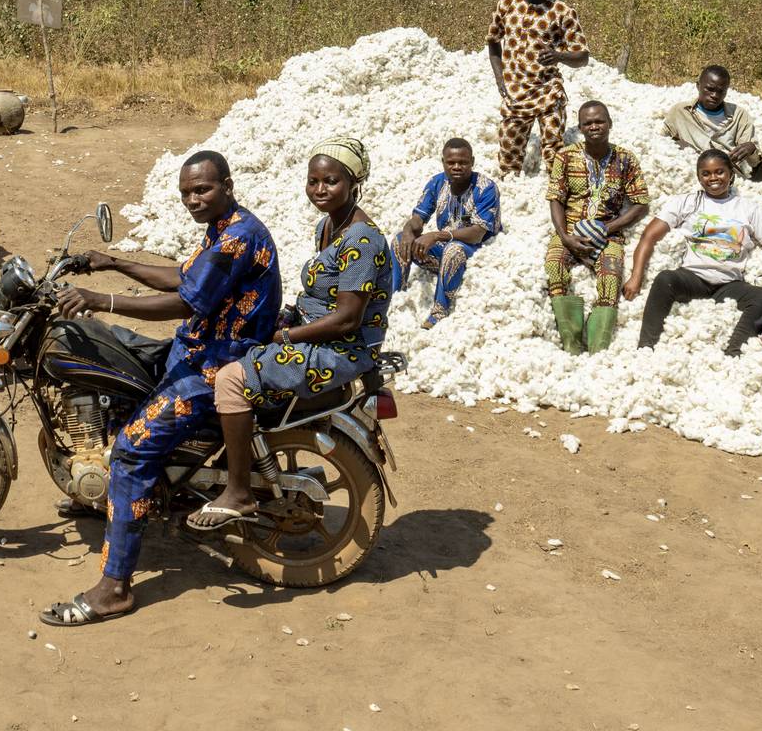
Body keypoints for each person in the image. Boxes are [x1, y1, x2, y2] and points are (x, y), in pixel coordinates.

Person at [38, 149, 280, 626]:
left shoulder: (237, 238)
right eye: (186, 192)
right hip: (196, 351)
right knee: (116, 372)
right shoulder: (223, 228)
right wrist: (111, 262)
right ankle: (109, 499)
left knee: (130, 452)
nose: (192, 199)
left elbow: (184, 301)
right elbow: (185, 277)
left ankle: (113, 589)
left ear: (227, 186)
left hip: (215, 368)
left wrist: (102, 299)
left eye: (202, 189)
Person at [190, 137, 391, 532]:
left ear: (354, 181)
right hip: (316, 336)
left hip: (338, 350)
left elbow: (348, 318)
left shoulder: (363, 240)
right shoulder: (330, 226)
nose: (319, 190)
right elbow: (321, 297)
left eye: (330, 181)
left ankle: (238, 492)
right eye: (313, 181)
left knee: (232, 379)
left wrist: (288, 336)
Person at [622, 149, 762, 354]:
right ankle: (646, 347)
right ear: (699, 177)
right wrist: (635, 276)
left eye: (720, 172)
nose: (713, 178)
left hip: (729, 284)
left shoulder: (748, 209)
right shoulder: (686, 202)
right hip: (693, 278)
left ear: (731, 174)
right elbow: (649, 236)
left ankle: (734, 350)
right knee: (665, 279)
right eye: (706, 174)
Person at [545, 101, 650, 354]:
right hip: (569, 230)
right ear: (580, 128)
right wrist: (565, 237)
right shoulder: (566, 156)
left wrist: (607, 228)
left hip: (609, 235)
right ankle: (571, 343)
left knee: (611, 278)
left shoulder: (625, 159)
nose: (594, 127)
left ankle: (597, 348)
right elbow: (556, 198)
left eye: (599, 121)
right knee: (554, 266)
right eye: (588, 123)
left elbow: (641, 204)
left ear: (609, 124)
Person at [487, 0, 590, 176]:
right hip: (515, 94)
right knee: (508, 159)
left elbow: (582, 56)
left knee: (554, 153)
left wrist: (559, 56)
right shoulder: (505, 6)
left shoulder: (562, 12)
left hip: (548, 92)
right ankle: (511, 198)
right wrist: (499, 78)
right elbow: (493, 43)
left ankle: (557, 198)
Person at [393, 137, 502, 328]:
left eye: (463, 162)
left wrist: (436, 235)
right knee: (400, 240)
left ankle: (440, 311)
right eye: (451, 162)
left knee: (454, 250)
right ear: (443, 162)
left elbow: (477, 233)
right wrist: (409, 230)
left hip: (479, 252)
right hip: (446, 245)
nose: (457, 167)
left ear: (472, 162)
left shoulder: (486, 188)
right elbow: (419, 218)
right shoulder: (437, 183)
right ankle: (395, 297)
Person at [661, 65, 762, 180]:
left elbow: (753, 163)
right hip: (711, 177)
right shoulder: (680, 112)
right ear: (698, 86)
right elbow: (661, 142)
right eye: (709, 89)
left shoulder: (739, 115)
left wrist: (751, 148)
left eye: (721, 91)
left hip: (745, 176)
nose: (714, 95)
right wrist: (682, 146)